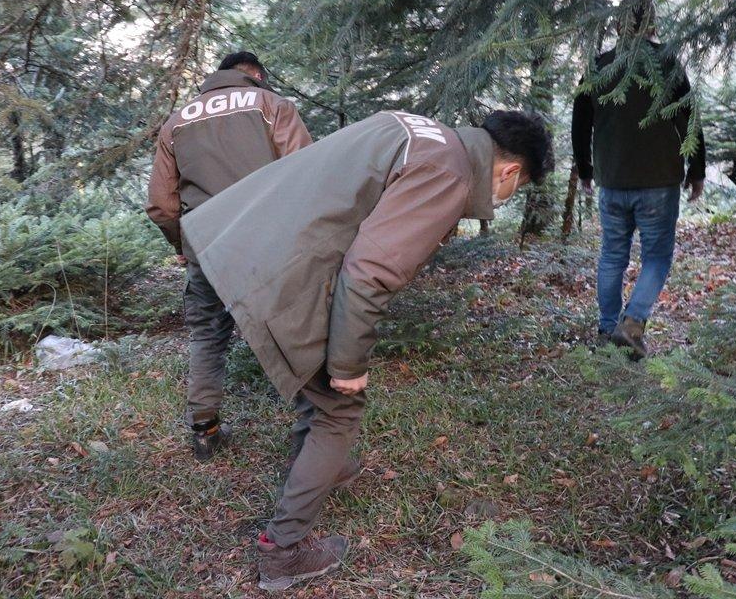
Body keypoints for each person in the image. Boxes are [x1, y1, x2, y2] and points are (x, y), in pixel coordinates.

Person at [181, 109, 553, 591]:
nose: (505, 197)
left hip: (228, 233)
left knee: (317, 384)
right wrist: (347, 365)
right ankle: (284, 550)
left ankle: (318, 466)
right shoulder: (449, 171)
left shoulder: (415, 128)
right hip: (273, 263)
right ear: (510, 172)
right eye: (514, 190)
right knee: (340, 405)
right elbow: (368, 272)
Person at [146, 51, 312, 461]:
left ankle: (204, 428)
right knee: (296, 330)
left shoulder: (176, 122)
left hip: (207, 243)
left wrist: (183, 245)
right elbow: (306, 175)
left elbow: (162, 206)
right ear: (254, 75)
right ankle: (313, 436)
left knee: (207, 335)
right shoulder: (273, 106)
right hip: (268, 243)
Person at [571, 0, 705, 359]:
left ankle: (607, 328)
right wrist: (697, 171)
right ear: (652, 24)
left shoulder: (598, 67)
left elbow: (580, 124)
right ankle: (632, 324)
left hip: (612, 179)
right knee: (657, 257)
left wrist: (585, 170)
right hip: (659, 180)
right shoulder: (666, 64)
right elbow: (689, 118)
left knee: (612, 255)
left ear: (618, 25)